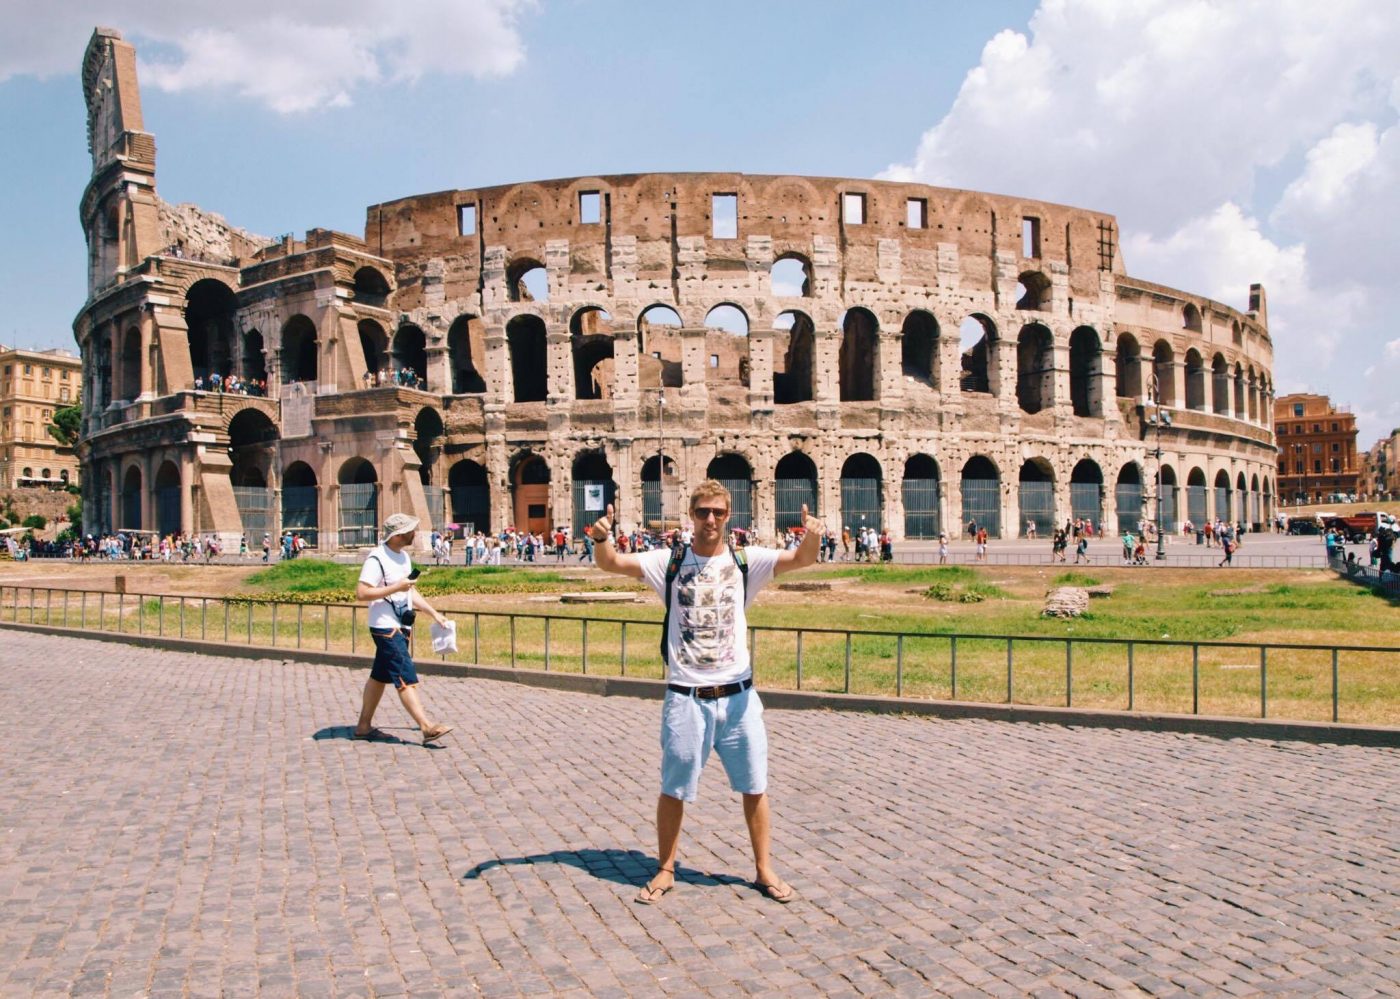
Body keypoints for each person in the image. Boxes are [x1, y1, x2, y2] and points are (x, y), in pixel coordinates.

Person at [591, 481, 821, 907]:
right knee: (673, 788)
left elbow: (803, 558)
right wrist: (603, 537)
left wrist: (814, 534)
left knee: (754, 785)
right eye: (702, 512)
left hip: (738, 698)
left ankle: (763, 868)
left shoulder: (747, 560)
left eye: (717, 512)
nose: (710, 519)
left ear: (729, 516)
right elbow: (612, 564)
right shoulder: (670, 561)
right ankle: (665, 868)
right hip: (686, 697)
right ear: (691, 515)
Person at [352, 513, 454, 745]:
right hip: (385, 628)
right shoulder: (376, 559)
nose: (414, 533)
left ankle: (363, 726)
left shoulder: (404, 557)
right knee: (404, 675)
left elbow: (409, 592)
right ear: (398, 534)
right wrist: (396, 587)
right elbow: (361, 593)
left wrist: (433, 613)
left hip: (401, 625)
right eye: (410, 530)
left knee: (379, 676)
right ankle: (426, 727)